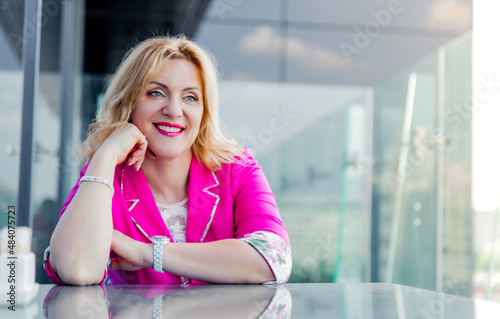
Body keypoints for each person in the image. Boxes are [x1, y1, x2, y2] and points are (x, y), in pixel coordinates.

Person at [44, 35, 291, 286]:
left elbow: (274, 258)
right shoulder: (104, 178)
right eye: (156, 93)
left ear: (204, 112)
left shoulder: (237, 169)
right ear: (128, 103)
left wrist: (148, 253)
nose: (173, 110)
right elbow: (77, 268)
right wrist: (106, 153)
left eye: (190, 97)